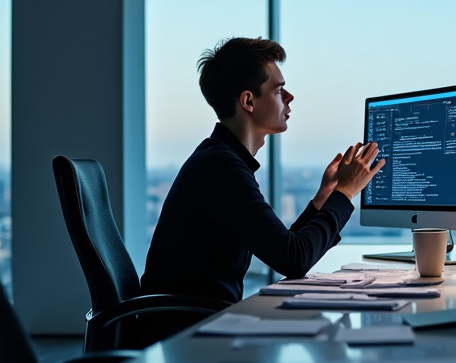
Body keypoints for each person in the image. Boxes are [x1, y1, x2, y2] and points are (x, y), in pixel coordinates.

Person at [141, 37, 384, 305]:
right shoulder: (221, 168)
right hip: (186, 331)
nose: (290, 97)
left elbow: (285, 247)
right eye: (279, 90)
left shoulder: (220, 159)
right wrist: (346, 191)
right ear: (248, 101)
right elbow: (294, 259)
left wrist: (324, 196)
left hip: (196, 321)